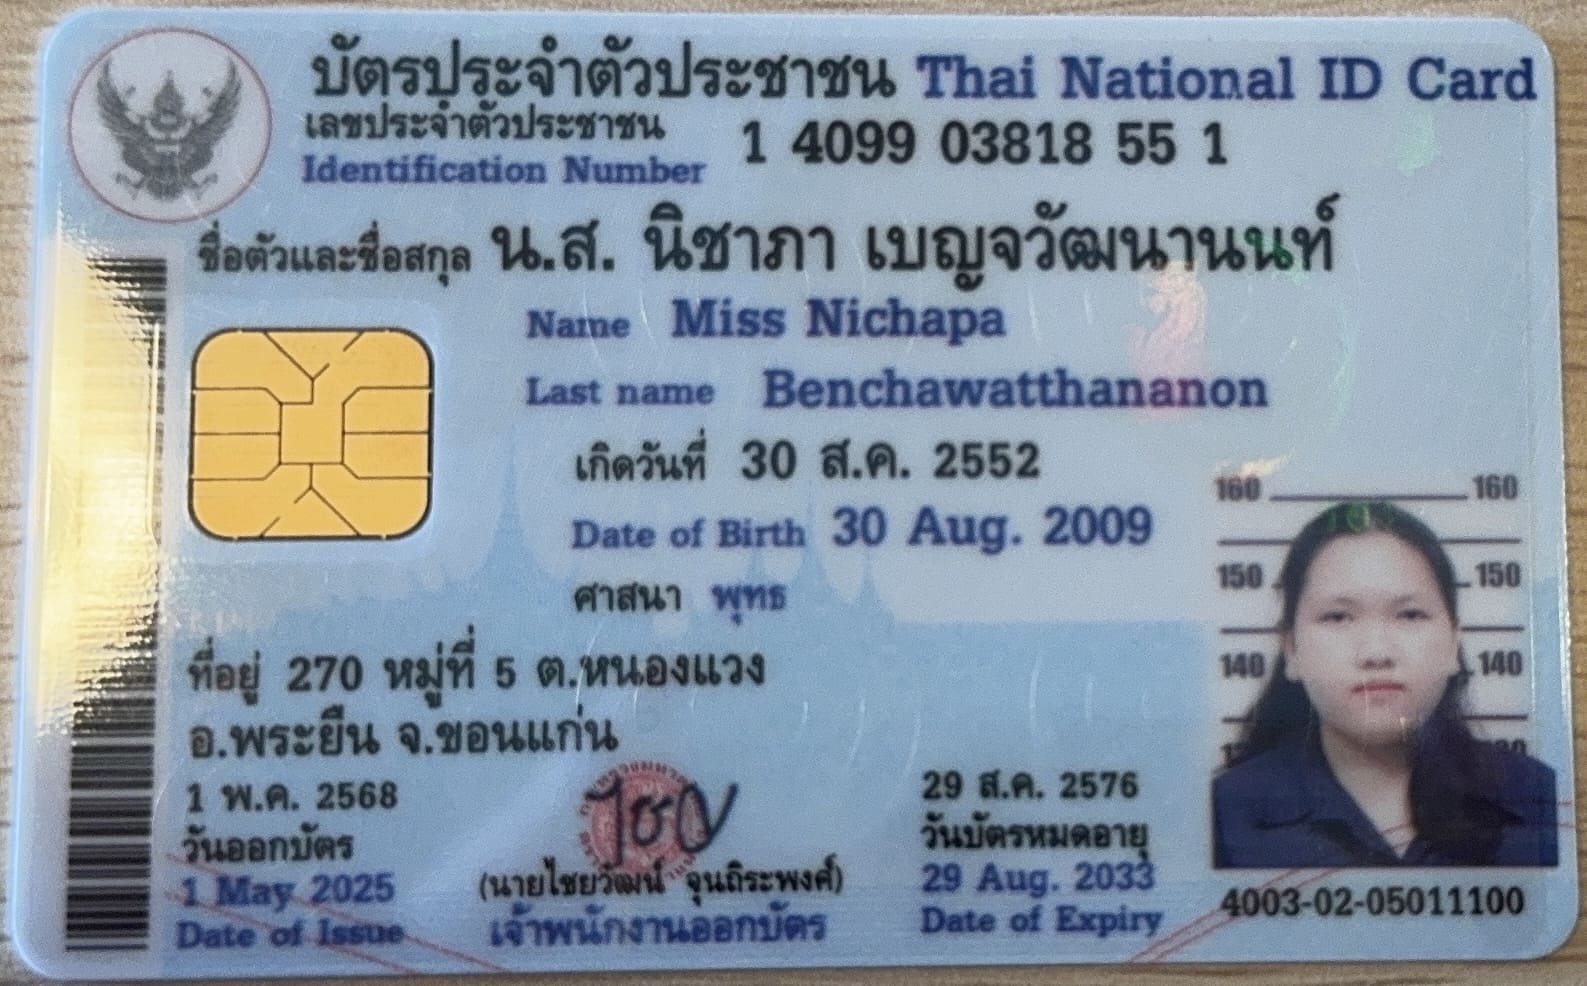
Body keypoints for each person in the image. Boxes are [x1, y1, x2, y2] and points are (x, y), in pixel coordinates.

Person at [1213, 501, 1557, 867]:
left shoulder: (1537, 796)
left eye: (1409, 615)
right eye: (1338, 617)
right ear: (1291, 649)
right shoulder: (1221, 815)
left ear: (1454, 644)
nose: (1376, 653)